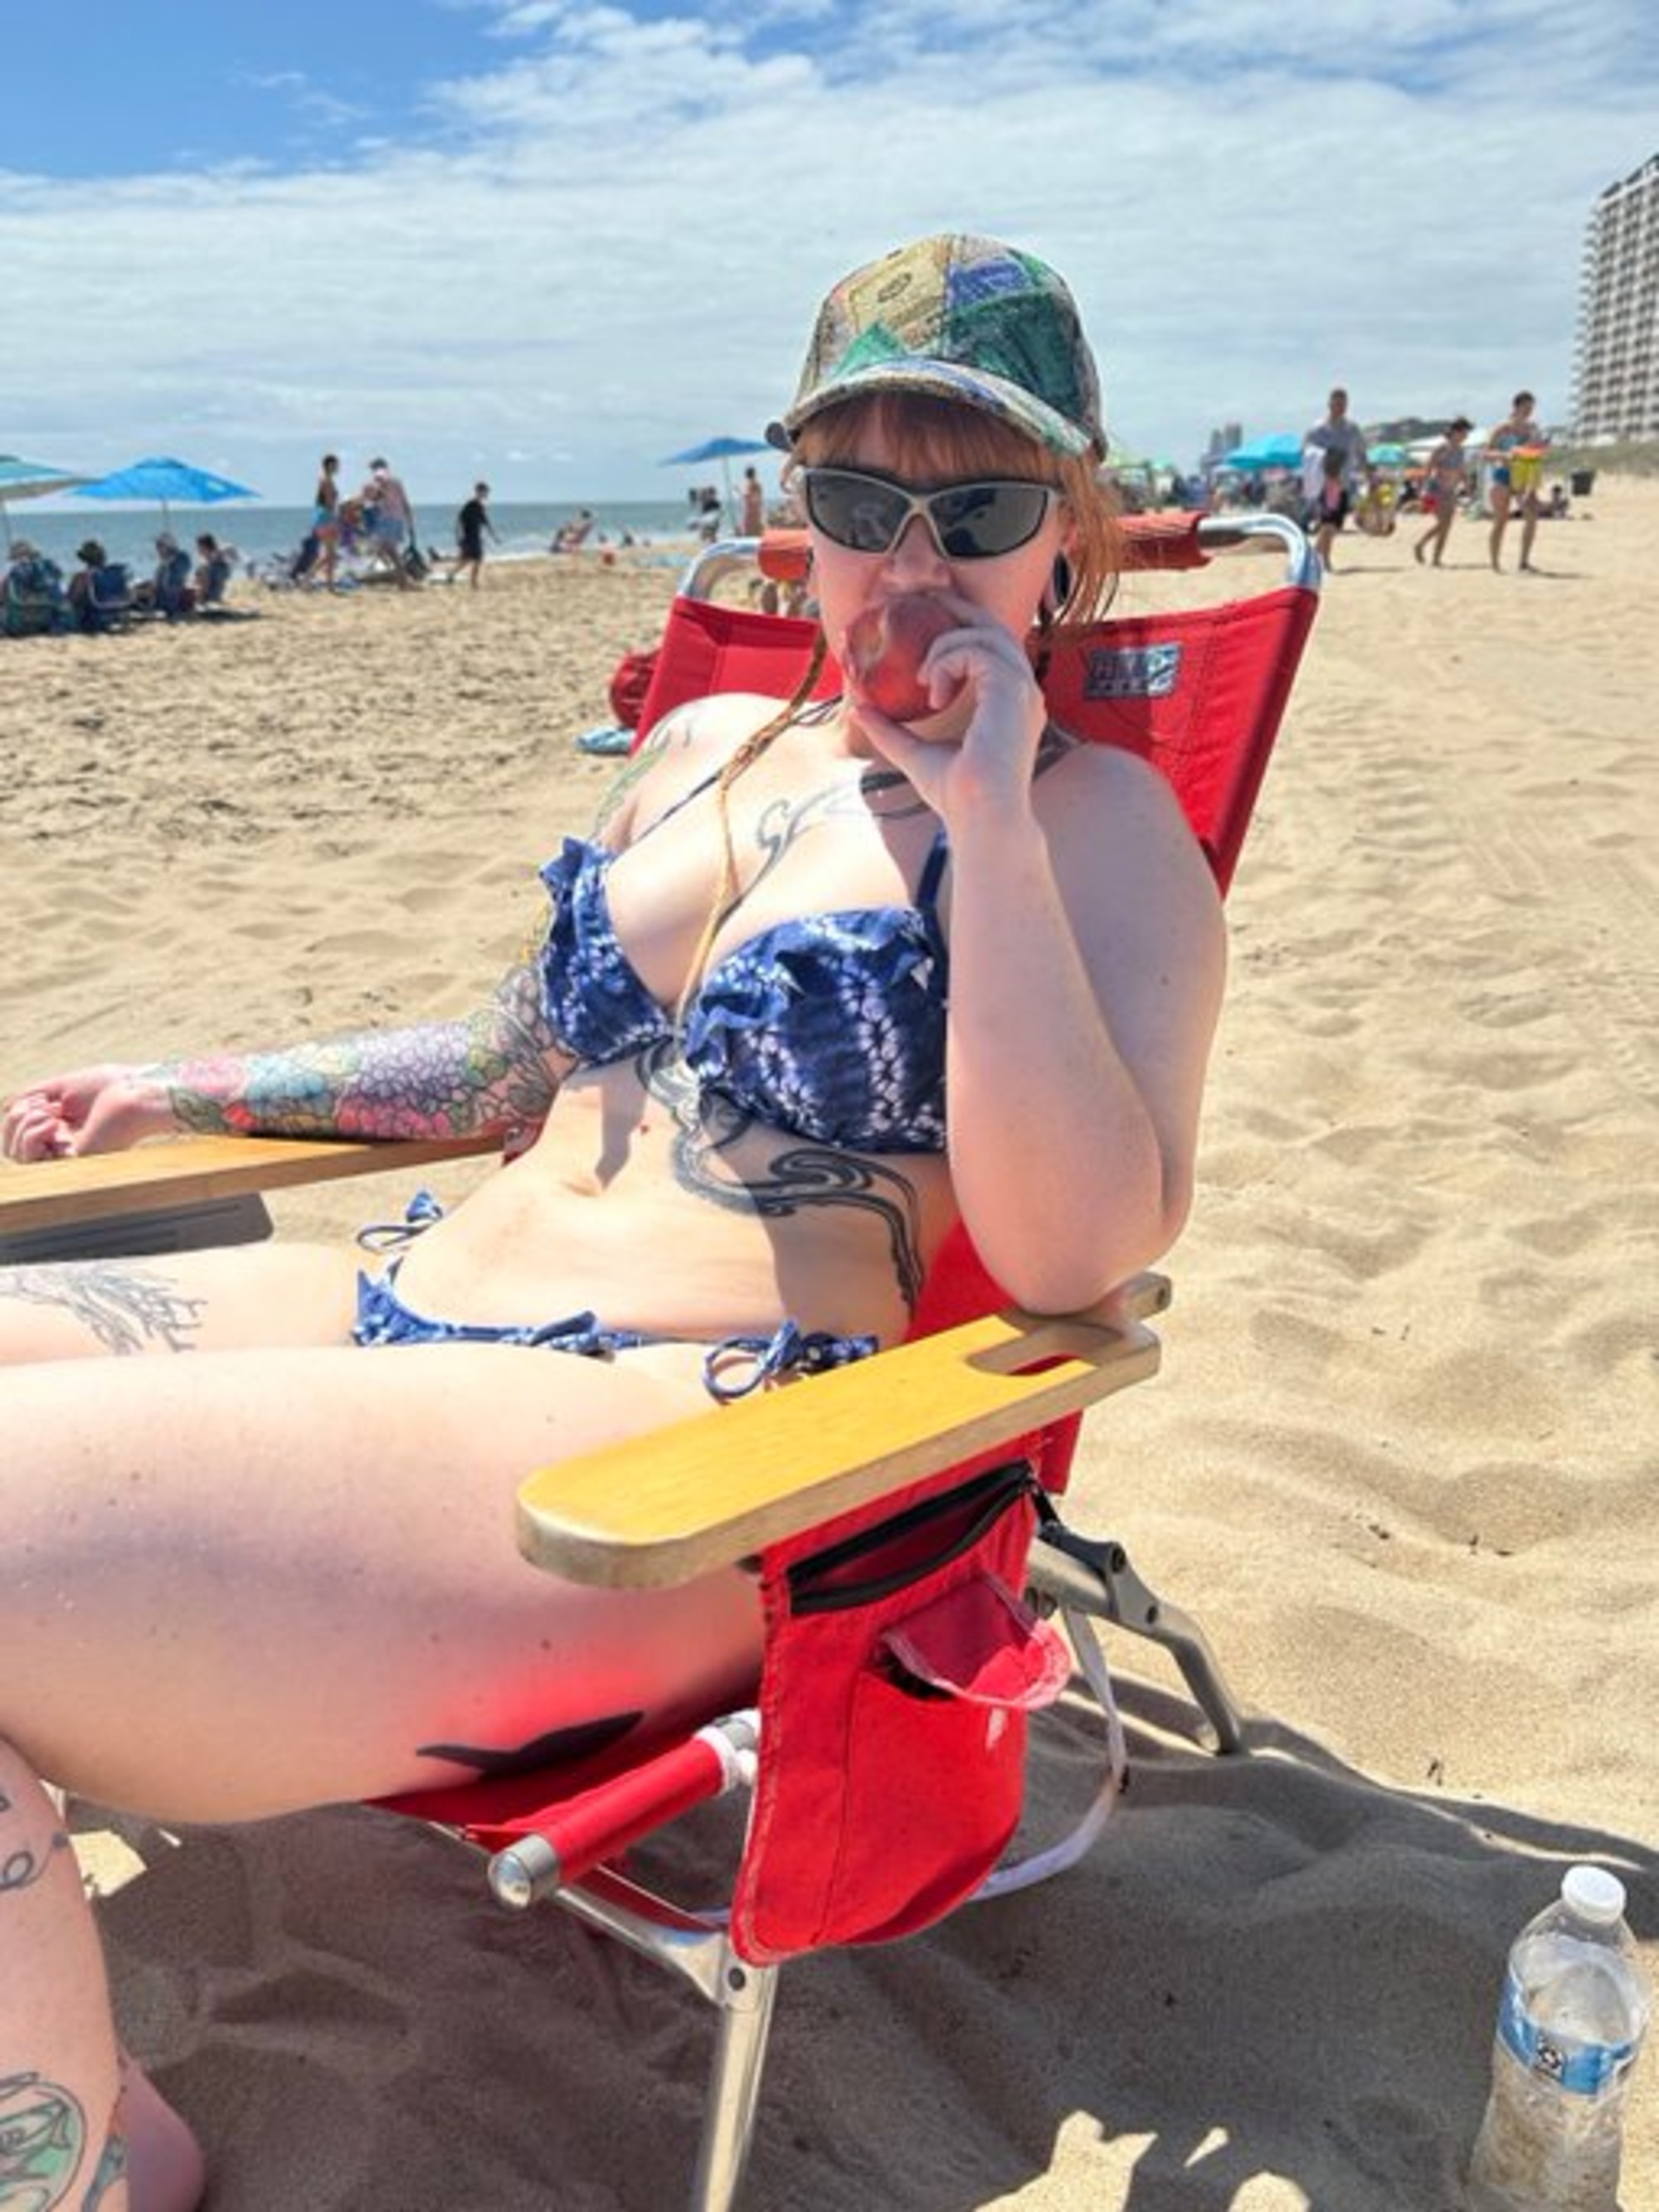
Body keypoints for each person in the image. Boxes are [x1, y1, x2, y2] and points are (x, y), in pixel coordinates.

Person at [0, 231, 1225, 2207]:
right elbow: (504, 1062)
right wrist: (191, 1088)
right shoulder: (702, 746)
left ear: (1065, 536)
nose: (908, 559)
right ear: (793, 514)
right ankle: (99, 2111)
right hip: (394, 1315)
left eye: (979, 508)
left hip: (674, 1444)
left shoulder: (1096, 827)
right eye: (856, 501)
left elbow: (1081, 1258)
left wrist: (984, 818)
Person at [1301, 386, 1374, 571]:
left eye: (1343, 404)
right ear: (1329, 404)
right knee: (1329, 522)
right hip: (1325, 482)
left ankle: (1315, 557)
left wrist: (1368, 474)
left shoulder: (1352, 429)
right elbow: (1306, 452)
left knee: (1334, 524)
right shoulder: (1317, 429)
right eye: (1337, 403)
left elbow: (1361, 453)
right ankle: (1322, 560)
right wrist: (1325, 457)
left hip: (1344, 482)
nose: (1341, 407)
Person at [1485, 390, 1549, 574]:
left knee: (1531, 517)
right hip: (1503, 475)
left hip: (1525, 475)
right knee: (1501, 520)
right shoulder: (1503, 428)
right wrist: (1504, 455)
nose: (1529, 411)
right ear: (1516, 406)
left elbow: (1539, 450)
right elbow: (1486, 453)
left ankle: (1524, 562)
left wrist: (1540, 448)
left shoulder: (1533, 428)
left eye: (1532, 408)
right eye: (1526, 407)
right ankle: (1495, 563)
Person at [1412, 417, 1473, 568]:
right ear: (1455, 432)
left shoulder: (1461, 451)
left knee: (1447, 525)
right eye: (1464, 433)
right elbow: (1428, 469)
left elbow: (1462, 470)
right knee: (1443, 523)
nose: (1466, 436)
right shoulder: (1441, 449)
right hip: (1436, 490)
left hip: (1451, 491)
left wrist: (1467, 486)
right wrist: (1421, 491)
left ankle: (1436, 559)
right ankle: (1420, 545)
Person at [359, 458, 418, 587]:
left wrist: (369, 496)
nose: (373, 472)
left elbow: (376, 495)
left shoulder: (379, 477)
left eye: (373, 468)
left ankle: (404, 582)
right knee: (387, 550)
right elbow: (405, 502)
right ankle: (403, 580)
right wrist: (410, 523)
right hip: (398, 519)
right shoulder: (397, 482)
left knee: (390, 551)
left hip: (387, 518)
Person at [451, 480, 497, 587]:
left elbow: (486, 522)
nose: (487, 494)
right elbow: (459, 520)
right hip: (469, 537)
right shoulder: (470, 504)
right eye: (485, 492)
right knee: (471, 560)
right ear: (478, 492)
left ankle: (456, 576)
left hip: (476, 537)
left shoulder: (480, 506)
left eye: (487, 492)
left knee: (474, 560)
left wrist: (494, 536)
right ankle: (470, 581)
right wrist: (458, 536)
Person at [311, 453, 342, 589]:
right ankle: (310, 578)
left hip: (323, 516)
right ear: (330, 465)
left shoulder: (325, 479)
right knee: (330, 554)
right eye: (336, 465)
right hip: (327, 517)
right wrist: (335, 519)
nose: (338, 467)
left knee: (330, 555)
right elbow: (329, 504)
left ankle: (329, 583)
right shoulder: (327, 481)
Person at [740, 464, 766, 537]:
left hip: (751, 513)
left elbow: (752, 499)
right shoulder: (757, 485)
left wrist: (741, 493)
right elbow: (758, 500)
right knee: (756, 535)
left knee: (749, 535)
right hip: (756, 512)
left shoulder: (751, 485)